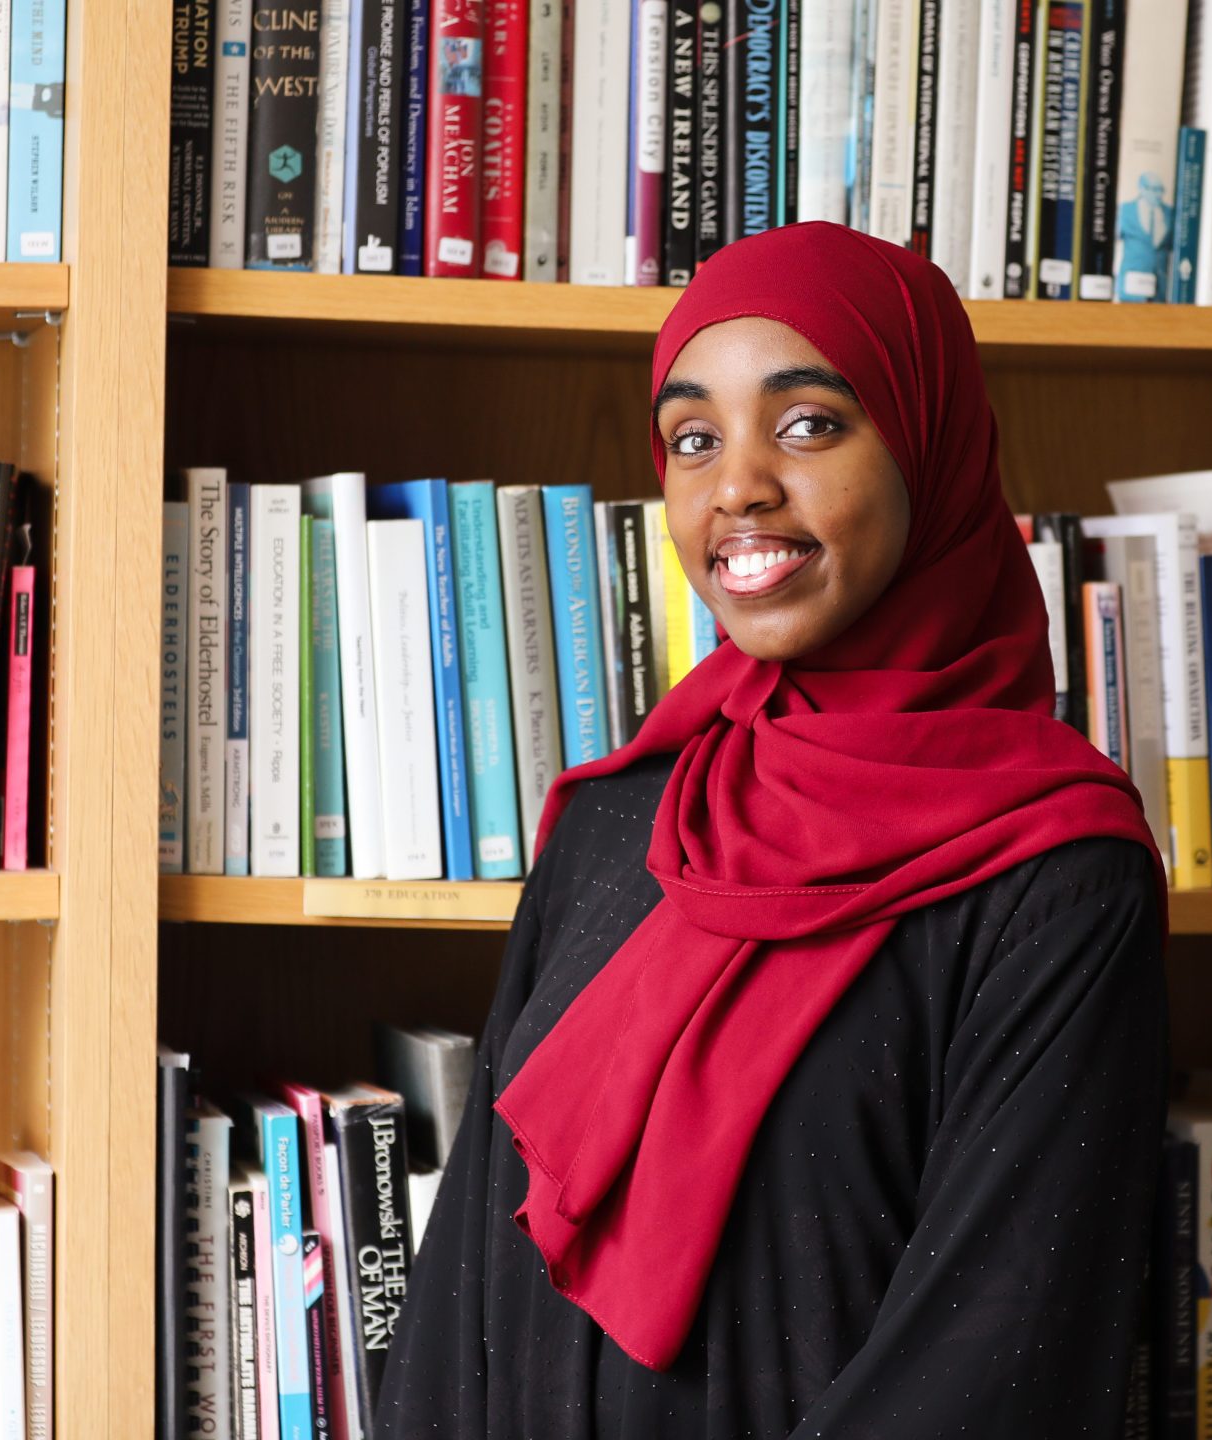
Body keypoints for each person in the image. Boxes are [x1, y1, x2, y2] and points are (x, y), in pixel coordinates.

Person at [370, 222, 1170, 1440]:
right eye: (694, 439)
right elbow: (470, 1270)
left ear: (928, 450)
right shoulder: (620, 817)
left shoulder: (1058, 874)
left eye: (806, 425)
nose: (736, 485)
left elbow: (1001, 1358)